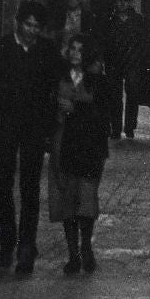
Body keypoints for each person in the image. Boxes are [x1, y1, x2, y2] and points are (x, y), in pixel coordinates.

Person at [0, 0, 59, 277]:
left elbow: (55, 88)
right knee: (2, 182)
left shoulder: (47, 52)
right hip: (7, 125)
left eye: (37, 27)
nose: (33, 31)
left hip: (34, 127)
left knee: (30, 187)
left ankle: (26, 244)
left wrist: (51, 125)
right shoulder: (1, 49)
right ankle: (7, 237)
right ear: (18, 22)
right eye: (28, 25)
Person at [49, 35, 114, 274]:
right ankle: (72, 253)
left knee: (86, 197)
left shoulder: (97, 81)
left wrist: (75, 109)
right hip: (63, 143)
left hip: (88, 147)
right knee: (67, 198)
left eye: (80, 49)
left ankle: (86, 247)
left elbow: (103, 114)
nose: (75, 53)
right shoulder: (60, 79)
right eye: (72, 48)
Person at [101, 0, 150, 140]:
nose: (122, 3)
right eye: (119, 0)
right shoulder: (109, 20)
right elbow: (104, 41)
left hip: (132, 61)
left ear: (129, 3)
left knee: (132, 94)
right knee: (114, 96)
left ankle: (129, 126)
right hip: (114, 62)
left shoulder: (137, 19)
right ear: (115, 2)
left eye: (125, 0)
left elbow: (143, 40)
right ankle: (115, 127)